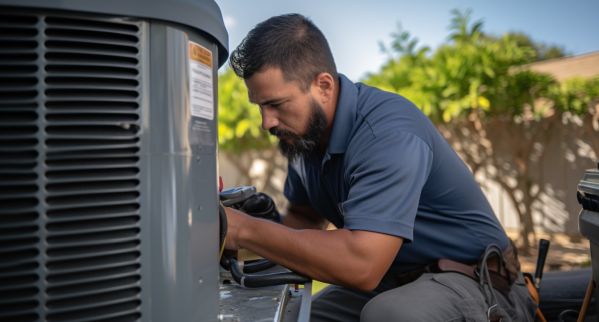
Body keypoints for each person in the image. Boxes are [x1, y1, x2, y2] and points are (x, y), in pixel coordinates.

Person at [223, 13, 534, 321]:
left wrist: (243, 228)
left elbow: (361, 265)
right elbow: (303, 220)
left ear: (324, 86)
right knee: (298, 315)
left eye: (276, 104)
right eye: (260, 107)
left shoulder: (386, 134)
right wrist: (263, 222)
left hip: (480, 284)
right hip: (395, 278)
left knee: (390, 315)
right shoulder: (305, 139)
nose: (266, 122)